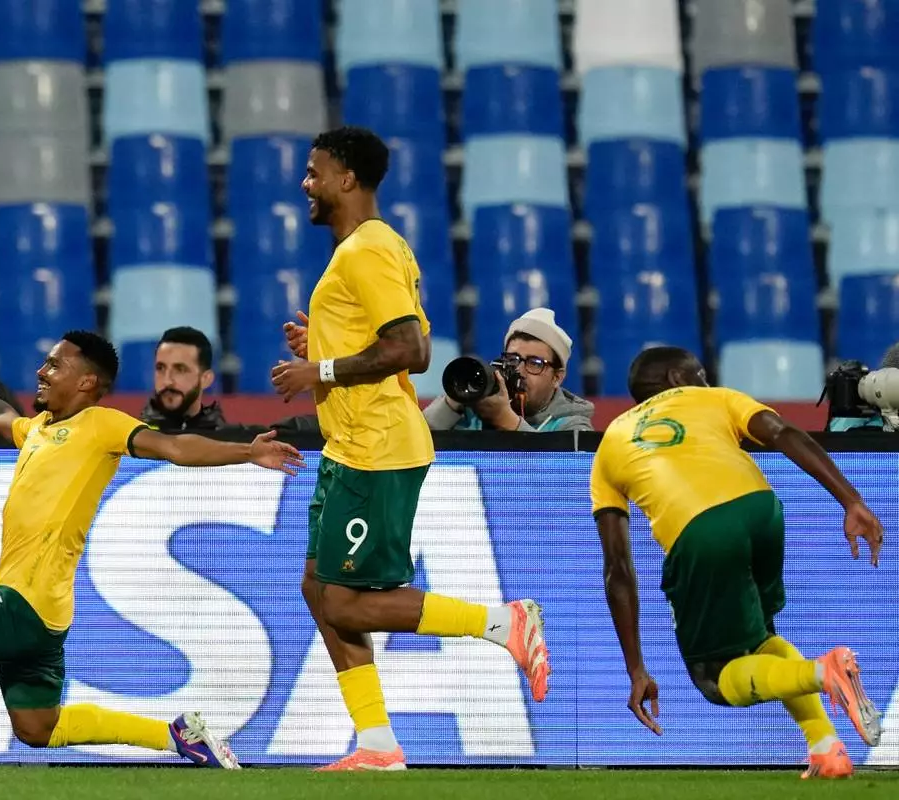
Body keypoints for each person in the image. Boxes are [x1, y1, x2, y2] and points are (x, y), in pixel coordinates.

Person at [0, 329, 305, 768]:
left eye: (55, 365)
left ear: (86, 382)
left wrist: (246, 452)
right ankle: (175, 736)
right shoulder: (38, 429)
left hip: (21, 605)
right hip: (46, 615)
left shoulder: (101, 424)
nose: (41, 371)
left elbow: (173, 446)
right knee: (38, 728)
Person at [270, 125, 550, 772]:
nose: (306, 184)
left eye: (314, 172)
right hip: (351, 444)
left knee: (344, 600)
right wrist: (323, 343)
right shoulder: (373, 247)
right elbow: (387, 342)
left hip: (377, 447)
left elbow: (413, 350)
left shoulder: (367, 249)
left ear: (346, 178)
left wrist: (320, 370)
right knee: (319, 589)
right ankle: (376, 745)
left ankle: (503, 623)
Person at [591, 346, 885, 779]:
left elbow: (618, 569)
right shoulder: (716, 398)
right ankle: (826, 747)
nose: (706, 381)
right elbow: (783, 432)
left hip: (701, 531)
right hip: (763, 510)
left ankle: (823, 672)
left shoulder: (611, 442)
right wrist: (851, 501)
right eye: (700, 374)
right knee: (761, 637)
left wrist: (636, 668)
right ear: (676, 378)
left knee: (716, 678)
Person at [423, 307, 594, 432]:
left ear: (557, 377)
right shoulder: (474, 409)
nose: (520, 370)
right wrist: (455, 399)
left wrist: (506, 420)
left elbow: (559, 470)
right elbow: (417, 445)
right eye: (513, 359)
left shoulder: (572, 425)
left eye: (534, 363)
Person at [141, 326, 227, 432]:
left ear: (206, 379)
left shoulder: (223, 439)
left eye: (180, 370)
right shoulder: (133, 437)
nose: (167, 381)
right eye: (160, 368)